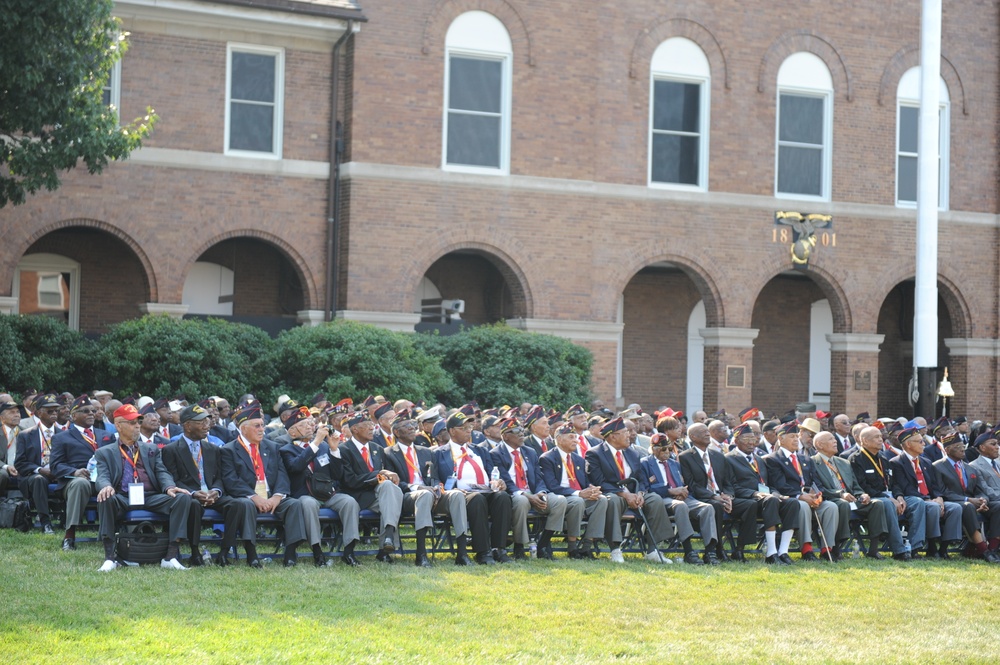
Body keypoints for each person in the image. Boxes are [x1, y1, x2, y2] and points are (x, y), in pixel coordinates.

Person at [94, 404, 193, 572]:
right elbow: (102, 475)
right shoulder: (105, 452)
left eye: (139, 422)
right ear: (118, 425)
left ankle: (170, 556)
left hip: (150, 496)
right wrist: (106, 486)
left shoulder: (151, 449)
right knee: (106, 498)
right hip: (123, 496)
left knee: (182, 498)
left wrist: (169, 487)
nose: (138, 426)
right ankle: (110, 558)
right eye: (132, 423)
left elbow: (161, 471)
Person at [162, 403, 253, 567]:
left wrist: (216, 491)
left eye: (207, 421)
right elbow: (173, 479)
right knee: (194, 506)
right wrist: (193, 493)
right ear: (187, 425)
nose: (207, 425)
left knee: (239, 504)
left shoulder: (213, 449)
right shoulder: (171, 449)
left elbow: (220, 476)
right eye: (201, 422)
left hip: (212, 494)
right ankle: (195, 551)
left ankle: (224, 552)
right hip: (191, 495)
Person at [382, 411, 474, 566]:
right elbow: (394, 483)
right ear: (396, 432)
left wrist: (438, 487)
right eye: (406, 426)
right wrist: (418, 487)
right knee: (424, 494)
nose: (412, 428)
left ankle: (462, 553)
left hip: (432, 493)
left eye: (412, 424)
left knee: (457, 495)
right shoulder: (388, 453)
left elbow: (435, 477)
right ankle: (421, 554)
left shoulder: (426, 451)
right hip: (407, 497)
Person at [221, 401, 306, 567]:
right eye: (256, 426)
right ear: (243, 429)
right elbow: (231, 480)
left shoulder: (272, 447)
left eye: (262, 425)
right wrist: (254, 497)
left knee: (294, 504)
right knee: (244, 505)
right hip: (248, 497)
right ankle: (251, 553)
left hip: (271, 496)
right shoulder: (229, 450)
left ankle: (290, 553)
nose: (262, 429)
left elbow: (282, 474)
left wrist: (276, 497)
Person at [277, 406, 360, 567]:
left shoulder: (323, 446)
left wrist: (335, 449)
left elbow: (337, 475)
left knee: (349, 502)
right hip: (304, 494)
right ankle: (317, 551)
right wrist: (316, 442)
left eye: (311, 423)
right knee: (308, 504)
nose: (310, 426)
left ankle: (349, 551)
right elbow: (297, 466)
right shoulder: (286, 450)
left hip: (327, 493)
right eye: (304, 425)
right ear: (292, 432)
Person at [585, 417, 672, 564]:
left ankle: (653, 549)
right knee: (612, 500)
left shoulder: (632, 453)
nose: (630, 435)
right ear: (613, 436)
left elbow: (641, 478)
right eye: (625, 432)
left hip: (634, 494)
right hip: (613, 494)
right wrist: (624, 494)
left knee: (655, 499)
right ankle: (615, 549)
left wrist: (640, 493)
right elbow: (599, 482)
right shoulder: (595, 453)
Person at [434, 411, 513, 564]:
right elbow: (436, 479)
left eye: (469, 427)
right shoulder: (439, 453)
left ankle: (499, 548)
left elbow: (492, 473)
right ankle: (483, 551)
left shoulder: (479, 450)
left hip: (486, 490)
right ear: (451, 431)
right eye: (463, 428)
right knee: (476, 499)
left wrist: (499, 482)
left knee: (503, 497)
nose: (468, 430)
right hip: (460, 494)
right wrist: (449, 490)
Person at [813, 430, 906, 560]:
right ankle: (837, 548)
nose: (835, 441)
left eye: (834, 439)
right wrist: (841, 494)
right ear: (819, 444)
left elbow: (856, 486)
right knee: (843, 504)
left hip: (853, 499)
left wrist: (862, 494)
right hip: (833, 500)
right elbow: (818, 488)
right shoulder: (813, 462)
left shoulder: (843, 462)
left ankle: (873, 550)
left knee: (877, 504)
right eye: (830, 439)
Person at [679, 422, 757, 563]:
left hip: (722, 496)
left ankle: (739, 549)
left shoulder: (718, 455)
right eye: (703, 432)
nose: (708, 434)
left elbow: (728, 481)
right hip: (703, 498)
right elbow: (692, 486)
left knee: (750, 505)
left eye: (708, 431)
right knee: (716, 505)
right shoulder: (685, 457)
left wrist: (728, 496)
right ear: (692, 436)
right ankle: (716, 549)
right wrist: (714, 496)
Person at [491, 416, 567, 560]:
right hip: (513, 494)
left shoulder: (529, 452)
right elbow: (505, 481)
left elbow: (538, 477)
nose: (521, 434)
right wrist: (527, 496)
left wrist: (540, 493)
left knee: (560, 501)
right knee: (521, 501)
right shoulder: (496, 454)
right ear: (505, 436)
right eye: (516, 431)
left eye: (521, 430)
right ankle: (519, 546)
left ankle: (543, 545)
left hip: (534, 492)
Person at [764, 421, 841, 561]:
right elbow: (779, 485)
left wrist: (818, 495)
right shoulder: (773, 459)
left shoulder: (805, 459)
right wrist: (800, 496)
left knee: (831, 507)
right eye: (792, 436)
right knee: (803, 505)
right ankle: (806, 549)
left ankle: (827, 549)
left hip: (810, 498)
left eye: (796, 436)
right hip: (790, 500)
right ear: (780, 439)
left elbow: (816, 482)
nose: (796, 440)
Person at [726, 423, 800, 565]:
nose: (751, 443)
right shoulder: (729, 459)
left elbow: (768, 484)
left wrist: (778, 494)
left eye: (753, 439)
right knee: (771, 501)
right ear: (736, 441)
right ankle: (771, 552)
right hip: (746, 499)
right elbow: (732, 486)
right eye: (746, 439)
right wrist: (755, 494)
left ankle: (783, 551)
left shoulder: (759, 459)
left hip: (766, 498)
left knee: (792, 503)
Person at [643, 432, 721, 565]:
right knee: (680, 506)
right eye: (663, 449)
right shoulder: (645, 463)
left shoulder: (674, 463)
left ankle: (710, 551)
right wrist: (670, 491)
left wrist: (682, 491)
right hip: (663, 499)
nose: (667, 451)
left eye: (669, 448)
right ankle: (689, 550)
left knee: (707, 508)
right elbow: (646, 488)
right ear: (654, 449)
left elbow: (682, 483)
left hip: (683, 497)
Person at [337, 410, 405, 563]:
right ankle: (385, 545)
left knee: (390, 491)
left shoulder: (377, 449)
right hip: (356, 495)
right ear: (355, 429)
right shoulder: (344, 450)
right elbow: (350, 481)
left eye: (371, 425)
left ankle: (386, 543)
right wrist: (379, 474)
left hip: (379, 496)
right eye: (367, 425)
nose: (371, 428)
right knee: (389, 493)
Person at [47, 394, 111, 550]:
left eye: (93, 411)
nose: (91, 413)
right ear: (73, 416)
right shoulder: (62, 437)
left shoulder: (106, 435)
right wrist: (74, 471)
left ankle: (126, 532)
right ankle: (70, 535)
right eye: (85, 411)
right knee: (80, 484)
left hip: (104, 479)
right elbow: (55, 465)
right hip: (78, 480)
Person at [888, 425, 959, 559]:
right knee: (931, 507)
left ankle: (944, 548)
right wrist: (928, 500)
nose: (924, 444)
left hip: (930, 499)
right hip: (912, 499)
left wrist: (939, 497)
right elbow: (905, 487)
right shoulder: (897, 462)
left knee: (955, 508)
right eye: (920, 441)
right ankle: (928, 546)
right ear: (908, 444)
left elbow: (934, 485)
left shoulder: (926, 461)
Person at [539, 424, 608, 559]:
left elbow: (584, 481)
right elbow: (551, 485)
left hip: (579, 496)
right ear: (559, 439)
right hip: (562, 497)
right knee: (577, 501)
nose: (576, 440)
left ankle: (587, 546)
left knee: (602, 500)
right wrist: (578, 493)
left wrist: (592, 489)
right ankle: (572, 546)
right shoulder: (547, 458)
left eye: (576, 437)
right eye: (571, 437)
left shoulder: (578, 459)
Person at [933, 435, 1000, 562]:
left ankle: (993, 549)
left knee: (998, 506)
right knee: (968, 507)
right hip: (954, 502)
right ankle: (983, 550)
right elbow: (942, 491)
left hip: (974, 502)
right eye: (957, 447)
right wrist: (967, 500)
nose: (962, 449)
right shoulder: (938, 466)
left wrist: (983, 500)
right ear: (946, 450)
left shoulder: (969, 468)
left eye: (963, 446)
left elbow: (979, 489)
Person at [850, 425, 912, 560]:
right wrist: (888, 498)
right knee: (888, 504)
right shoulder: (855, 459)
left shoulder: (883, 459)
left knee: (915, 503)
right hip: (870, 498)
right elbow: (862, 487)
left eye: (880, 436)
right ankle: (899, 550)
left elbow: (893, 483)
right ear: (865, 441)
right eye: (876, 437)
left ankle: (918, 547)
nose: (881, 439)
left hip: (890, 497)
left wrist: (899, 496)